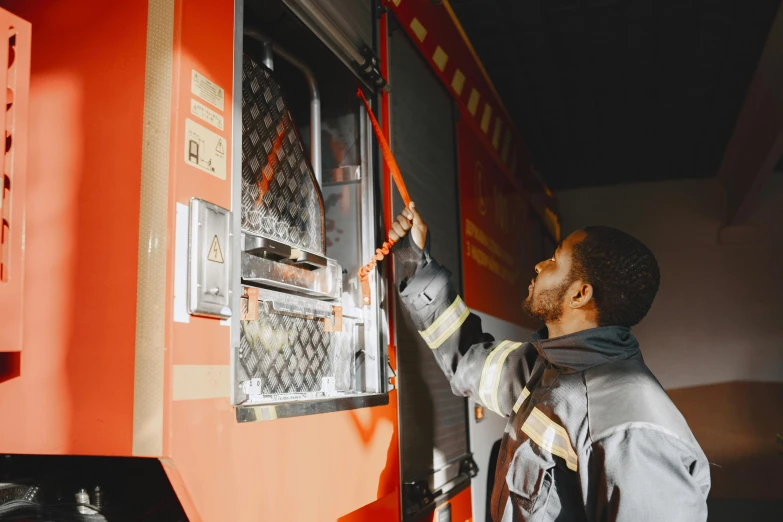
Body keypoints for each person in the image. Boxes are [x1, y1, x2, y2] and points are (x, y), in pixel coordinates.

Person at [389, 202, 711, 522]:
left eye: (555, 260)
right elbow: (467, 357)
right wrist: (417, 261)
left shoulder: (631, 428)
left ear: (580, 294)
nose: (539, 266)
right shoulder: (546, 369)